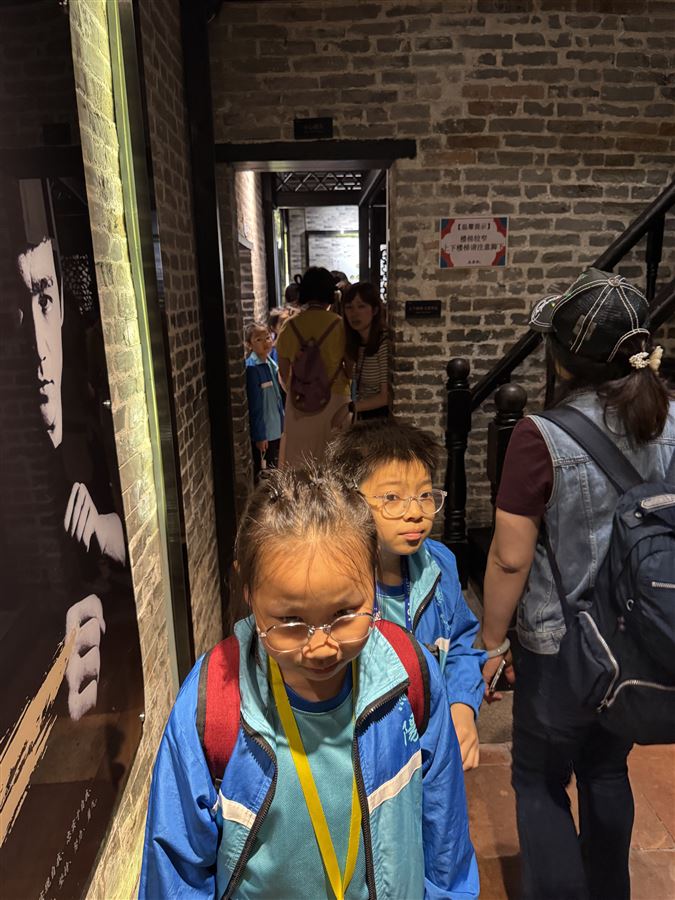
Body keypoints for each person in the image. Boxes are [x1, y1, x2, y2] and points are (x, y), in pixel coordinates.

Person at [139, 465, 479, 899]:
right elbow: (174, 875)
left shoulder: (409, 676)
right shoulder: (213, 707)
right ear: (249, 592)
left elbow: (445, 840)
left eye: (344, 614)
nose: (320, 648)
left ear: (372, 580)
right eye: (290, 620)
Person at [481, 268, 675, 900]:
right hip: (638, 643)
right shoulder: (673, 421)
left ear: (563, 359)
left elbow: (510, 560)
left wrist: (490, 642)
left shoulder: (540, 436)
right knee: (606, 767)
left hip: (559, 647)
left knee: (538, 777)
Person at [328, 420, 486, 771]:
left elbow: (460, 643)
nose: (415, 512)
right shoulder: (332, 585)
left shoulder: (439, 565)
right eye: (392, 498)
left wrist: (461, 705)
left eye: (425, 495)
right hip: (361, 761)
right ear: (348, 501)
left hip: (432, 751)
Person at [275, 266, 352, 467]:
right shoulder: (340, 325)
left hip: (300, 401)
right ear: (330, 294)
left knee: (300, 466)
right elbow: (351, 370)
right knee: (335, 464)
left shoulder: (289, 326)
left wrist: (302, 386)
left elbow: (283, 373)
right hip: (336, 400)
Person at [343, 282, 389, 421]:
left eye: (361, 306)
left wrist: (350, 408)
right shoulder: (358, 343)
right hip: (364, 419)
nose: (354, 313)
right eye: (349, 307)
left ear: (374, 310)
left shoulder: (383, 343)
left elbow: (386, 396)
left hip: (380, 421)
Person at [244, 321, 284, 477]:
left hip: (276, 428)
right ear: (249, 344)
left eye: (267, 337)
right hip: (266, 432)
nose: (266, 342)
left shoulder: (271, 362)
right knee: (267, 474)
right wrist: (260, 436)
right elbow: (255, 406)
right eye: (258, 340)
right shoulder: (252, 368)